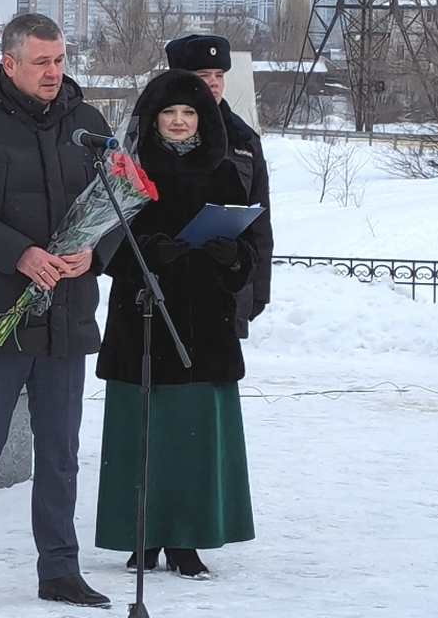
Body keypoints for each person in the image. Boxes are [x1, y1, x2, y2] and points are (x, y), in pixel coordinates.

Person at [0, 13, 114, 614]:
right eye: (42, 62)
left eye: (60, 60)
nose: (55, 72)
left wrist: (95, 252)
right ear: (9, 63)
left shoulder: (89, 124)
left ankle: (60, 569)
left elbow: (118, 201)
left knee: (59, 453)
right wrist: (19, 254)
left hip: (66, 315)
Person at [94, 69, 258, 578]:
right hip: (143, 320)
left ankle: (188, 538)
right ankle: (139, 538)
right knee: (142, 435)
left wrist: (232, 255)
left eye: (189, 113)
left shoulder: (225, 172)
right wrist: (142, 254)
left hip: (205, 325)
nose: (181, 122)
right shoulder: (128, 173)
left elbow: (247, 251)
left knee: (193, 436)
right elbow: (102, 243)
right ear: (155, 120)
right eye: (170, 114)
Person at [164, 34, 273, 339]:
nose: (213, 83)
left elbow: (259, 221)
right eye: (203, 75)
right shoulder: (152, 133)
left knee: (217, 382)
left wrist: (258, 286)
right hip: (168, 290)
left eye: (219, 75)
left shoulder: (244, 139)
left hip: (228, 283)